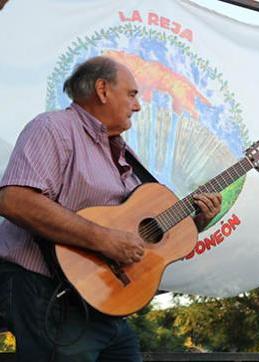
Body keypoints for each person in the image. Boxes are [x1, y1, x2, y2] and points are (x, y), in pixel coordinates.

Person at [0, 56, 222, 361]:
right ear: (102, 90)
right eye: (131, 94)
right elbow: (15, 200)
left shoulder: (121, 153)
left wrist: (196, 222)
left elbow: (135, 230)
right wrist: (104, 239)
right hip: (46, 289)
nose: (137, 106)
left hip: (102, 301)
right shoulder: (54, 128)